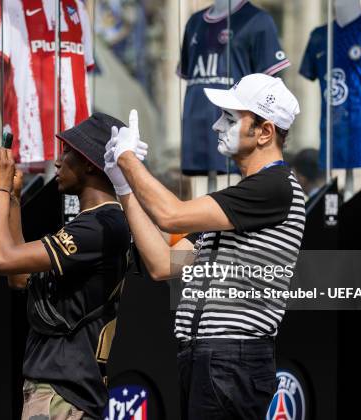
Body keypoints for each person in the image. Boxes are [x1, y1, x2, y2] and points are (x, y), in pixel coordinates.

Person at [104, 74, 306, 419]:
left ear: (265, 132)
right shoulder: (249, 197)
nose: (216, 126)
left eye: (230, 118)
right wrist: (125, 188)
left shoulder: (274, 187)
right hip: (211, 359)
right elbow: (162, 263)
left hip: (231, 359)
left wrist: (128, 161)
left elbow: (171, 215)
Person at [0, 113, 141, 419]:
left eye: (67, 152)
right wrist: (15, 200)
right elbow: (19, 278)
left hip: (65, 391)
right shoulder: (92, 223)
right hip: (57, 387)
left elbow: (0, 259)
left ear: (89, 164)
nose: (58, 162)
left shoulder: (101, 225)